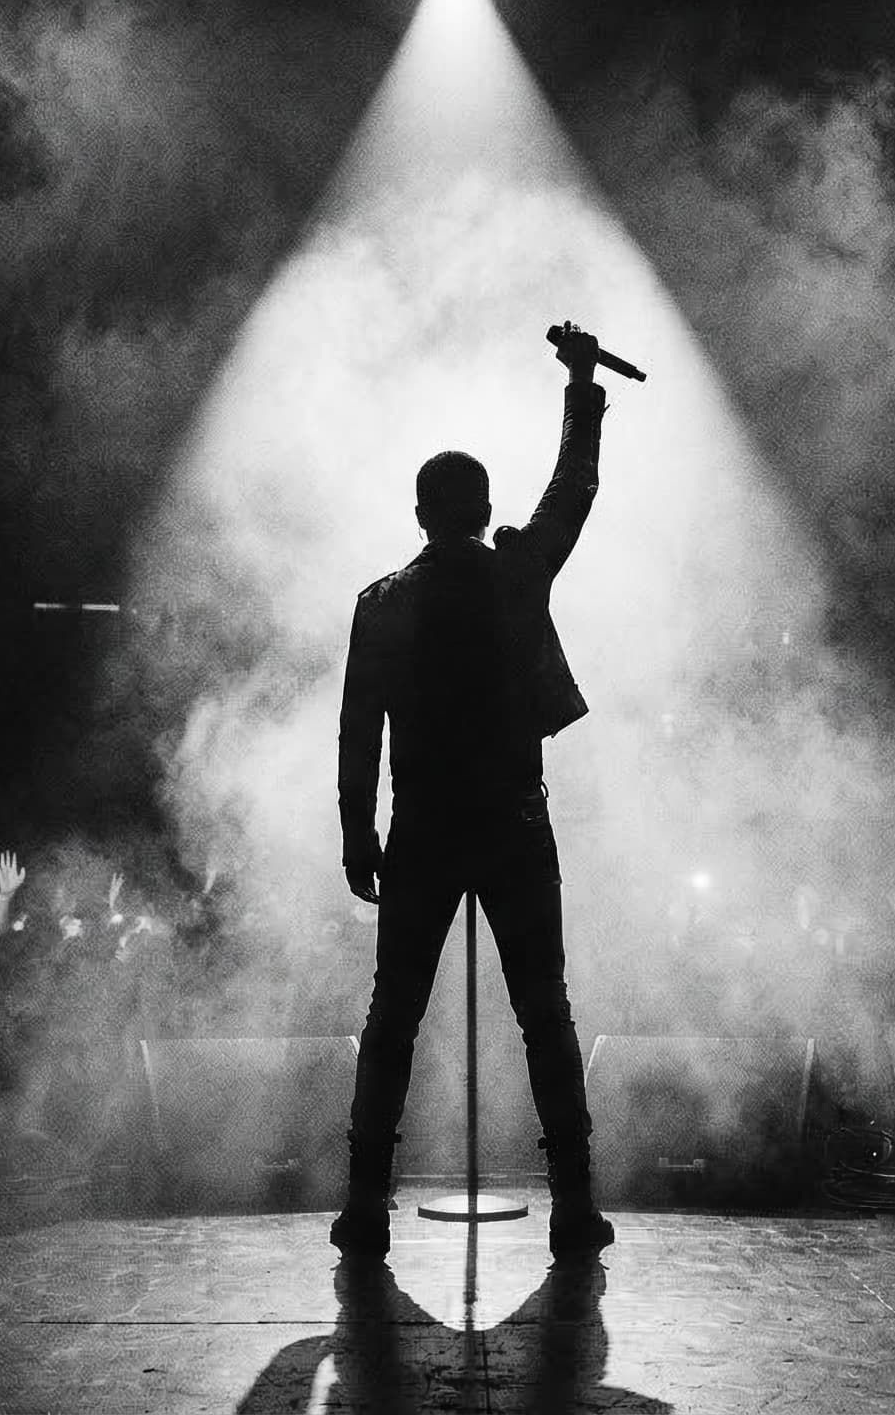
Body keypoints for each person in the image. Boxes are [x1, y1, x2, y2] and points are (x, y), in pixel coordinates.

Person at [332, 323, 615, 1259]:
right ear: (484, 505)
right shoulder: (517, 571)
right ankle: (572, 1204)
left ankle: (366, 1203)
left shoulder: (381, 601)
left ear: (420, 513)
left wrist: (355, 834)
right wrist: (580, 387)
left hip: (421, 824)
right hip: (511, 818)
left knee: (393, 1012)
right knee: (545, 1007)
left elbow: (357, 729)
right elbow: (574, 491)